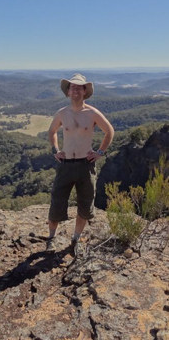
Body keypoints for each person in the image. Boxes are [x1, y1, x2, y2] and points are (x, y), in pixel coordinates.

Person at [46, 73, 114, 255]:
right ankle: (51, 238)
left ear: (85, 91)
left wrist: (100, 152)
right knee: (57, 203)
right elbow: (52, 131)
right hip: (65, 163)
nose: (75, 90)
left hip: (86, 164)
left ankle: (75, 239)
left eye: (79, 87)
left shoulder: (92, 113)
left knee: (85, 205)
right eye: (72, 87)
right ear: (68, 91)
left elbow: (109, 131)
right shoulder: (62, 113)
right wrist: (55, 149)